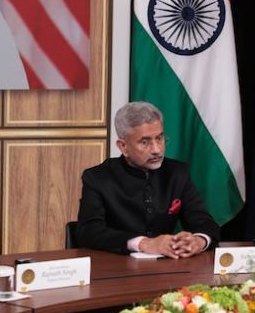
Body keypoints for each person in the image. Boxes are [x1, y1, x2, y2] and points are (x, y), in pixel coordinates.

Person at [76, 101, 220, 258]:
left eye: (160, 139)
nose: (157, 150)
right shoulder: (97, 177)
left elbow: (204, 222)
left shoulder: (177, 173)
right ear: (123, 146)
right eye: (145, 142)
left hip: (169, 266)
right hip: (116, 265)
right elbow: (88, 232)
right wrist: (143, 243)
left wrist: (198, 241)